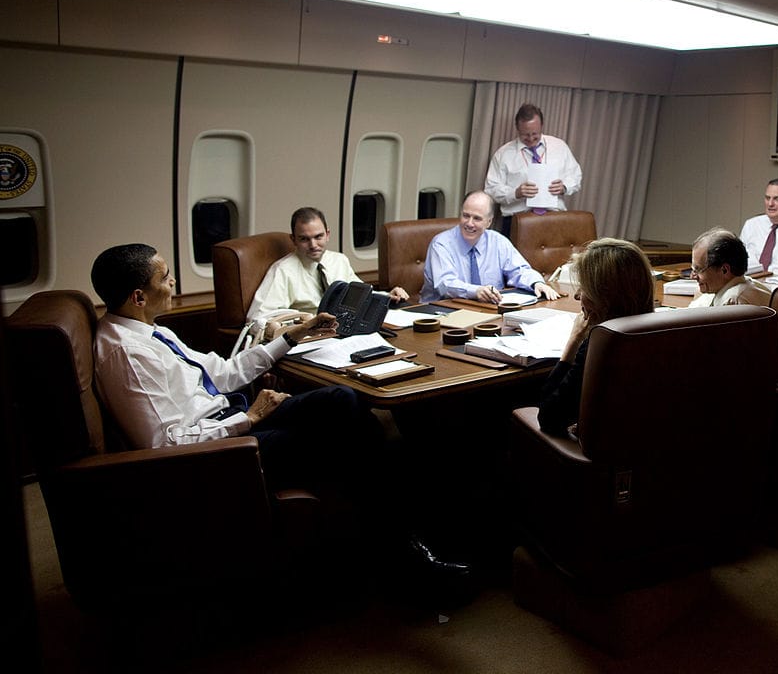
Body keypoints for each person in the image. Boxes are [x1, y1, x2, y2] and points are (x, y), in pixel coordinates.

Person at [90, 243, 471, 589]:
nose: (173, 282)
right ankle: (407, 547)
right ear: (139, 296)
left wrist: (292, 336)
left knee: (344, 400)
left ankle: (394, 525)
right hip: (219, 454)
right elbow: (163, 445)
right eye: (165, 277)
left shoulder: (150, 332)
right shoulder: (127, 354)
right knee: (346, 441)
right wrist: (250, 418)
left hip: (228, 420)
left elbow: (221, 373)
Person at [537, 238, 656, 436]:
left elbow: (549, 418)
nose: (577, 296)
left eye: (583, 288)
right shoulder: (658, 334)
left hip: (598, 453)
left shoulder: (602, 344)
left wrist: (573, 341)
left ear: (604, 295)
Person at [246, 206, 408, 324]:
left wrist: (388, 296)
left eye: (318, 237)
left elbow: (361, 295)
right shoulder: (283, 270)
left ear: (327, 235)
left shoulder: (338, 260)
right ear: (293, 239)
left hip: (344, 327)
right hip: (308, 333)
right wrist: (303, 322)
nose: (313, 244)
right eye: (304, 239)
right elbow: (257, 319)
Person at [420, 191, 561, 304]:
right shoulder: (441, 244)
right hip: (442, 312)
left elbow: (519, 270)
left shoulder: (498, 241)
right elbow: (445, 284)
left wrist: (536, 283)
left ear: (489, 222)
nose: (469, 223)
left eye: (477, 218)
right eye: (465, 216)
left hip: (486, 311)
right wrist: (476, 291)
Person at [485, 103, 583, 236]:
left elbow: (576, 176)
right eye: (525, 135)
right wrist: (515, 193)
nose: (530, 139)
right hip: (516, 221)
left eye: (535, 134)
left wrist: (564, 187)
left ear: (542, 126)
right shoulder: (503, 154)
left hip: (554, 219)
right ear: (517, 129)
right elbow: (491, 189)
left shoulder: (559, 147)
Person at [688, 227, 771, 308]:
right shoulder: (726, 288)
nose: (693, 276)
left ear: (724, 270)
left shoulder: (733, 302)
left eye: (698, 269)